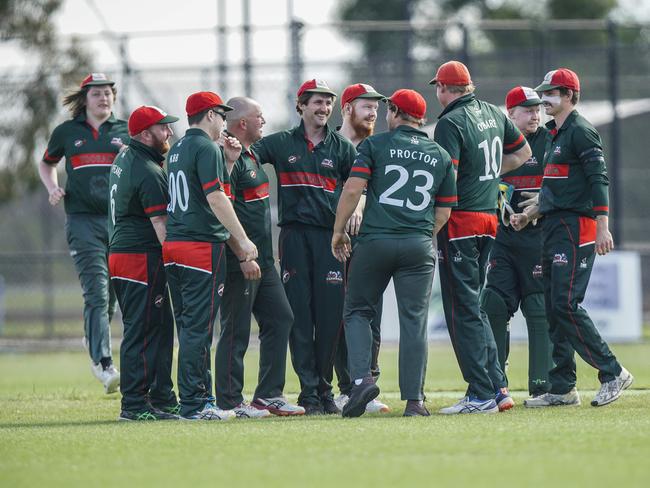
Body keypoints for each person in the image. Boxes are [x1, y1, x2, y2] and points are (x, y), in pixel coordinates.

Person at [510, 68, 633, 408]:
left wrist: (604, 225)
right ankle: (563, 386)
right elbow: (555, 189)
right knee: (553, 305)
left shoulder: (580, 131)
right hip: (552, 227)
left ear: (568, 95)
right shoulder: (554, 134)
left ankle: (612, 371)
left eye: (550, 93)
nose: (544, 99)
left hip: (577, 228)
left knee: (565, 303)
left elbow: (599, 179)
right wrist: (530, 214)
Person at [332, 89, 457, 417]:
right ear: (422, 119)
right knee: (414, 322)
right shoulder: (441, 154)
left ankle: (360, 381)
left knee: (358, 309)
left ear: (395, 113)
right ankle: (415, 401)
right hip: (418, 244)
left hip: (375, 242)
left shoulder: (375, 145)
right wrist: (420, 235)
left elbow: (353, 189)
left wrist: (338, 230)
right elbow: (444, 212)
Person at [430, 61, 532, 414]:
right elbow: (523, 153)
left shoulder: (449, 122)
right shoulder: (492, 111)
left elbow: (449, 178)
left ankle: (480, 393)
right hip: (489, 219)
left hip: (460, 221)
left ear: (444, 88)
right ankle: (497, 386)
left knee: (462, 309)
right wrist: (487, 177)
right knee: (475, 307)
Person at [252, 79, 358, 415]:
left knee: (329, 317)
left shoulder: (341, 147)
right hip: (294, 238)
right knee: (300, 316)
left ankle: (324, 390)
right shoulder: (282, 143)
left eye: (328, 103)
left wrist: (355, 210)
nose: (324, 109)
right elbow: (245, 156)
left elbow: (362, 182)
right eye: (317, 103)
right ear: (301, 106)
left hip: (330, 238)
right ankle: (309, 392)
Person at [163, 91, 257, 421]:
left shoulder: (176, 149)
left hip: (174, 245)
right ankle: (195, 404)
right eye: (221, 115)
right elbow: (216, 199)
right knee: (198, 329)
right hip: (199, 246)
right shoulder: (205, 147)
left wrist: (229, 162)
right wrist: (243, 241)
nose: (224, 122)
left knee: (189, 327)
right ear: (211, 115)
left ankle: (199, 398)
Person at [214, 96, 304, 418]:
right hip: (242, 262)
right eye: (259, 116)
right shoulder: (230, 160)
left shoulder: (249, 156)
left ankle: (268, 396)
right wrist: (241, 255)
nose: (263, 121)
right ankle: (229, 401)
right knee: (236, 329)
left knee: (281, 318)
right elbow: (223, 212)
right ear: (242, 123)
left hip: (264, 261)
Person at [39, 73, 128, 394]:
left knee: (112, 298)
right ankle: (103, 363)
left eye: (107, 93)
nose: (103, 98)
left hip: (119, 224)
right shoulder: (67, 132)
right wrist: (52, 188)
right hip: (81, 221)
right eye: (96, 94)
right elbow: (46, 163)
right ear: (85, 98)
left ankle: (93, 337)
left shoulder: (125, 132)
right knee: (97, 293)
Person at [480, 86, 554, 400]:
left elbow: (566, 184)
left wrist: (542, 206)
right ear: (511, 114)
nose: (535, 114)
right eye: (527, 109)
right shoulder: (496, 143)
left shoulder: (551, 140)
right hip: (503, 239)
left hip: (539, 239)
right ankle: (496, 382)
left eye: (537, 109)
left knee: (538, 308)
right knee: (493, 304)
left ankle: (543, 386)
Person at [108, 105, 180, 421]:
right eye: (163, 128)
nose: (169, 133)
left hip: (126, 253)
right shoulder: (148, 170)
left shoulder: (127, 156)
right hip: (139, 256)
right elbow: (161, 226)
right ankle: (134, 404)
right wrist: (178, 264)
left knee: (161, 327)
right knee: (143, 330)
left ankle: (162, 397)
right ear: (144, 134)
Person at [334, 83, 390, 415]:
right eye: (366, 106)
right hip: (334, 241)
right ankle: (343, 387)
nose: (373, 113)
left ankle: (367, 384)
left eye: (376, 108)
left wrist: (363, 199)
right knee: (336, 317)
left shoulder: (380, 146)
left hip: (370, 243)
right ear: (347, 109)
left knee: (372, 318)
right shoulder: (332, 145)